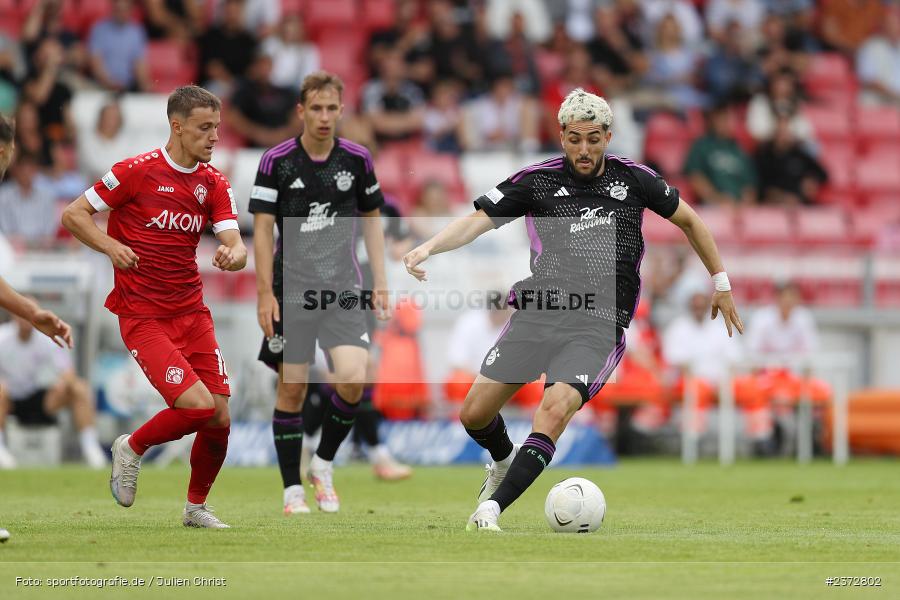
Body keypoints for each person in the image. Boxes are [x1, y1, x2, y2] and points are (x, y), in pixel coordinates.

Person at [402, 88, 743, 531]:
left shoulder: (634, 179)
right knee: (474, 414)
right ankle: (503, 461)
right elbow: (475, 223)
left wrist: (721, 283)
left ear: (608, 137)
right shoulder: (537, 180)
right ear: (562, 136)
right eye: (575, 139)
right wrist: (427, 247)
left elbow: (691, 221)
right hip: (538, 314)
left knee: (554, 409)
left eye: (594, 139)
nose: (584, 149)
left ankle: (491, 509)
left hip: (597, 324)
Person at [61, 86, 247, 529]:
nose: (214, 137)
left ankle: (195, 508)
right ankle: (131, 447)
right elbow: (74, 214)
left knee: (220, 416)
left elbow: (236, 243)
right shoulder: (135, 172)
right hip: (143, 315)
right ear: (177, 126)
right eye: (204, 128)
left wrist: (234, 254)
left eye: (217, 128)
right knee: (199, 407)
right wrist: (110, 246)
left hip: (192, 313)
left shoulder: (213, 183)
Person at [250, 71, 390, 515]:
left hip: (342, 289)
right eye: (316, 108)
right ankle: (292, 491)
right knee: (292, 390)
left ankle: (323, 463)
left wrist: (381, 281)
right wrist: (264, 294)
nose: (325, 116)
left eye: (332, 108)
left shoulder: (357, 159)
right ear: (301, 111)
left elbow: (372, 220)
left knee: (353, 377)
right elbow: (262, 230)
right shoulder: (277, 161)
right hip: (290, 292)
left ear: (341, 110)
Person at [0, 308, 108, 469]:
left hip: (37, 397)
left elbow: (67, 372)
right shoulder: (2, 337)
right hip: (7, 399)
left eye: (28, 314)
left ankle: (91, 449)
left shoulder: (46, 338)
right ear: (13, 316)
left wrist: (64, 382)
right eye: (20, 314)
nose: (24, 319)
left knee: (79, 388)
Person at [684, 104, 757, 205]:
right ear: (713, 121)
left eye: (727, 119)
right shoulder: (702, 146)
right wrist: (716, 198)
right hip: (711, 205)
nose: (724, 123)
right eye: (720, 118)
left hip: (740, 207)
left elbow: (750, 185)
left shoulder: (739, 149)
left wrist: (745, 202)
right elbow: (695, 177)